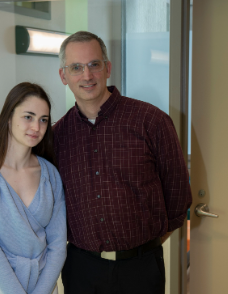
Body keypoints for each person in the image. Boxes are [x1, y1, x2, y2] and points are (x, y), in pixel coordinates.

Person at [53, 31, 192, 294]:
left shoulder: (151, 122)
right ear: (63, 76)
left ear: (107, 68)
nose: (86, 75)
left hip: (140, 270)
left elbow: (177, 200)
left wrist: (139, 248)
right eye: (76, 68)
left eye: (94, 64)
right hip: (81, 270)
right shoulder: (57, 137)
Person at [0, 82, 66, 294]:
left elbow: (58, 246)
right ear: (8, 117)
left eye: (43, 120)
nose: (36, 127)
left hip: (43, 285)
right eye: (28, 116)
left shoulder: (50, 174)